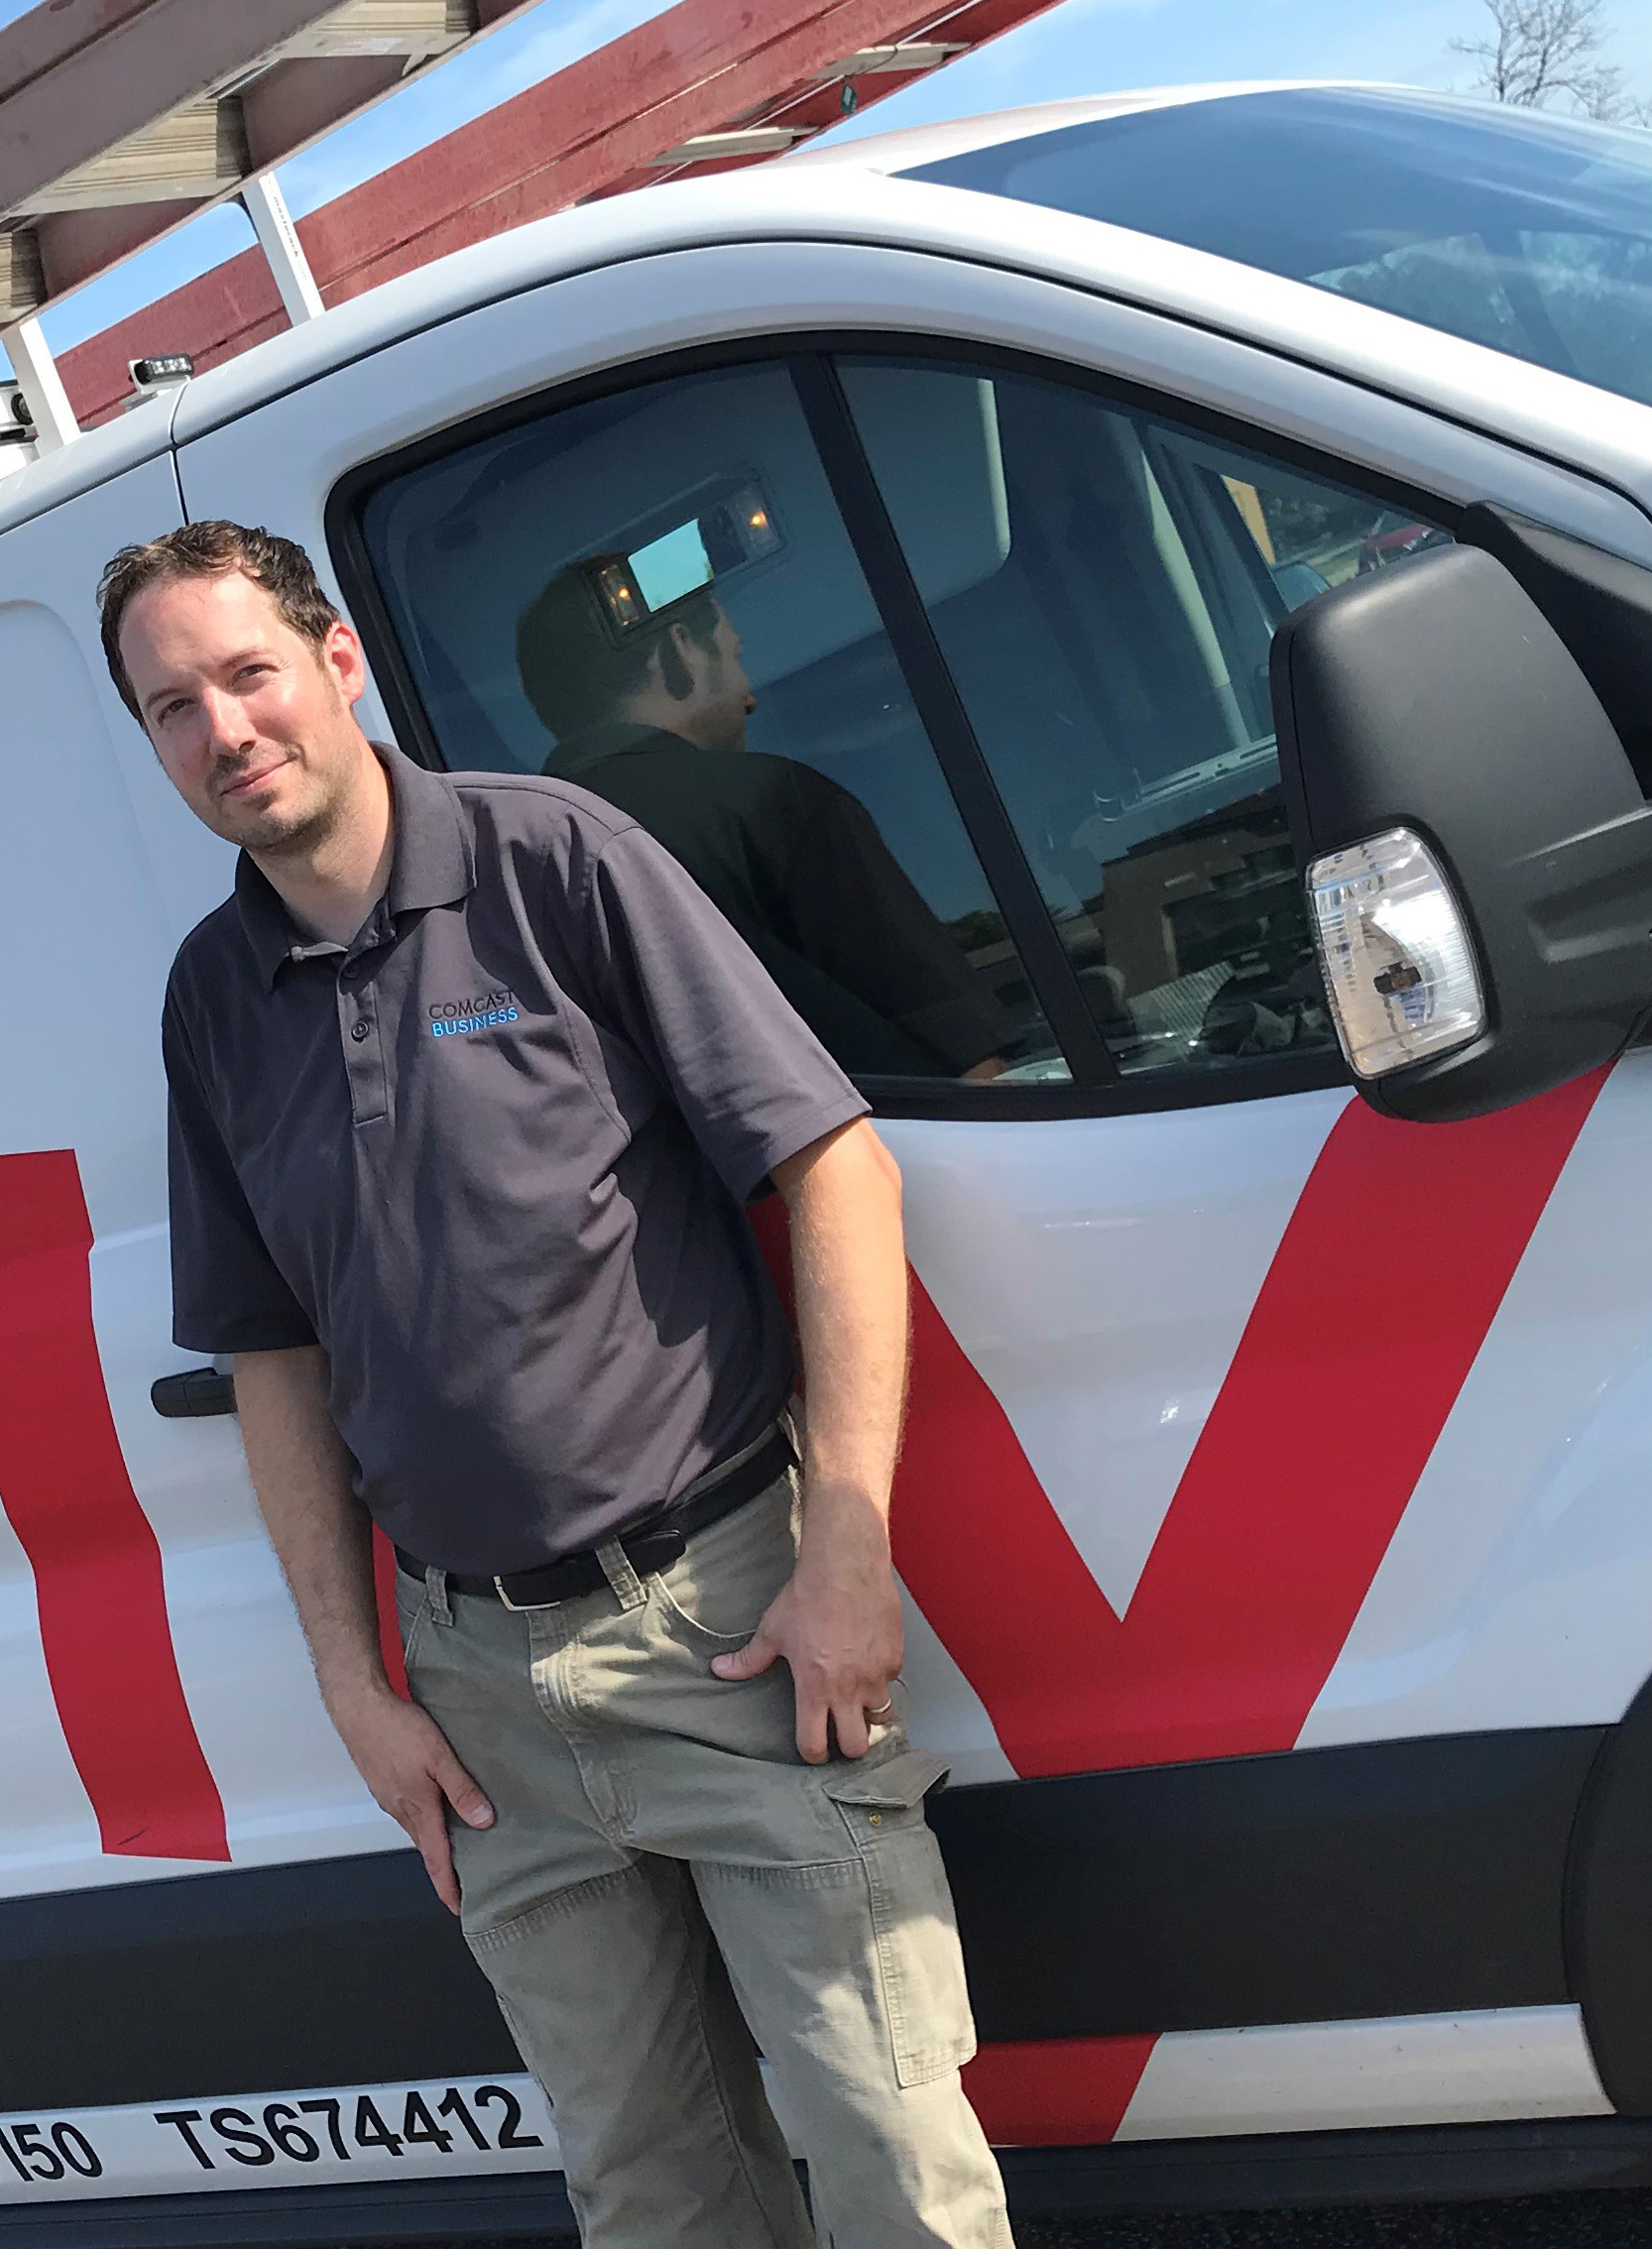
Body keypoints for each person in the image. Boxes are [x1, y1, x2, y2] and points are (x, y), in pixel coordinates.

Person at [104, 520, 1010, 2249]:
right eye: (170, 707)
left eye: (246, 673)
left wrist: (846, 1546)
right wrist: (354, 1683)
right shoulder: (212, 1000)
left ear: (336, 661)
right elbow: (269, 1349)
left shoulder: (556, 860)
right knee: (647, 2195)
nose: (222, 731)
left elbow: (833, 1166)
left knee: (891, 2156)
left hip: (727, 1621)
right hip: (474, 1690)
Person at [516, 564, 1021, 1084]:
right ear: (682, 650)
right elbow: (973, 1079)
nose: (750, 697)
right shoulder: (780, 802)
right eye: (736, 657)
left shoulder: (501, 866)